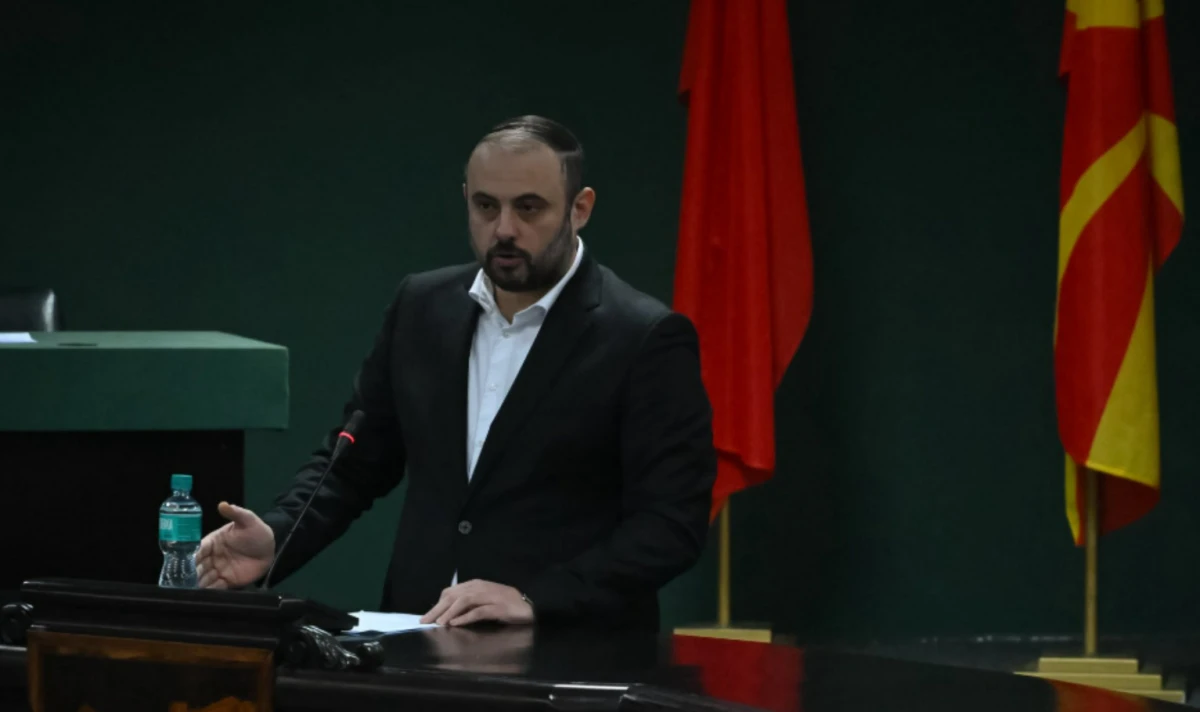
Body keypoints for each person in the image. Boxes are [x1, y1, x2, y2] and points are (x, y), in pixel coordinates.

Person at [195, 115, 716, 630]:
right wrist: (278, 538)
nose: (504, 229)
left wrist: (535, 598)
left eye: (529, 207)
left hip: (568, 653)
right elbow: (354, 462)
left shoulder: (643, 337)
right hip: (417, 635)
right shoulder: (422, 306)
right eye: (486, 206)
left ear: (580, 209)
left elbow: (671, 525)